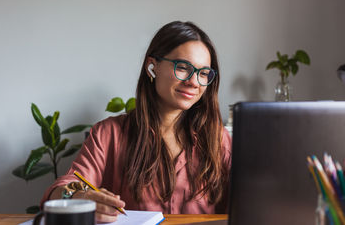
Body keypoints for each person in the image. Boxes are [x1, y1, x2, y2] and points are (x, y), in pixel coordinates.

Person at [40, 21, 232, 223]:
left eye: (203, 74)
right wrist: (79, 196)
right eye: (183, 67)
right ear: (152, 66)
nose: (194, 82)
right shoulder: (109, 134)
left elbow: (245, 204)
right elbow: (61, 189)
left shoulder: (218, 139)